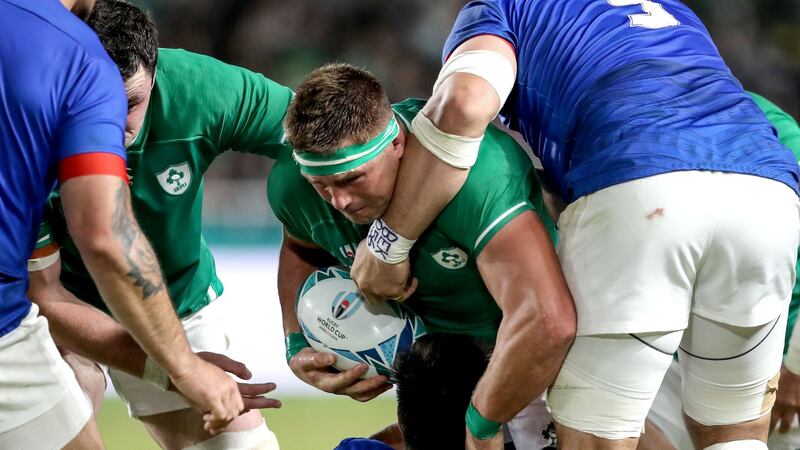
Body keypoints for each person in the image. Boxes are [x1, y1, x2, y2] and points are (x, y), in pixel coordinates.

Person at [349, 1, 800, 448]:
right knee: (734, 434)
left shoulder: (503, 10)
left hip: (634, 178)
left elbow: (464, 104)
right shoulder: (673, 9)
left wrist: (387, 245)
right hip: (767, 194)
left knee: (598, 434)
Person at [25, 1, 291, 448]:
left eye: (130, 102)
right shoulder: (23, 129)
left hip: (172, 303)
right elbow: (45, 294)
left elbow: (315, 141)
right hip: (57, 314)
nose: (111, 125)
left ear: (156, 71)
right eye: (95, 104)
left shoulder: (199, 89)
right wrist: (173, 368)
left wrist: (324, 252)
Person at [269, 63, 575, 448]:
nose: (339, 201)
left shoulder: (478, 180)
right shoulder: (291, 185)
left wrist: (482, 423)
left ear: (397, 143)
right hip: (432, 379)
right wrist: (296, 341)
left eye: (351, 179)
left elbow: (548, 322)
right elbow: (301, 244)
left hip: (533, 366)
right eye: (321, 185)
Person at [642, 93, 800, 450]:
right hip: (684, 344)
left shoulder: (774, 130)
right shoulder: (649, 111)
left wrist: (798, 367)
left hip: (778, 346)